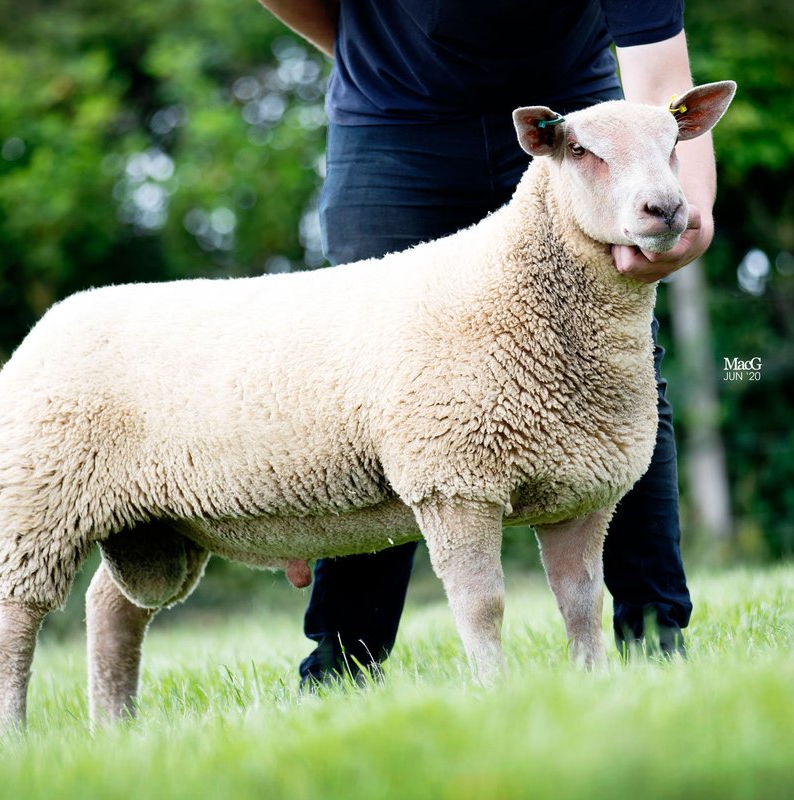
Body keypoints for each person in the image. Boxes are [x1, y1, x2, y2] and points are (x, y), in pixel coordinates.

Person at [256, 0, 715, 684]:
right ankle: (340, 668)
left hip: (577, 128)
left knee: (616, 365)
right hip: (394, 115)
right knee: (379, 384)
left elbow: (662, 83)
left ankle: (656, 640)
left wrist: (691, 215)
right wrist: (375, 52)